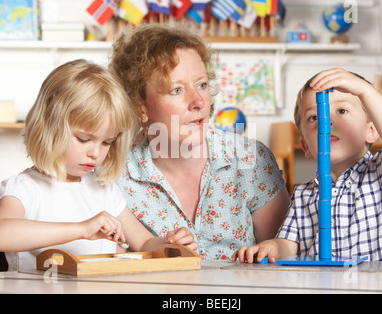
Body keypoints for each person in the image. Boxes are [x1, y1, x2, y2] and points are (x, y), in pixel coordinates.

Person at [0, 59, 195, 272]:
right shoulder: (24, 189)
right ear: (49, 126)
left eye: (106, 142)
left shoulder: (104, 189)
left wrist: (170, 245)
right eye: (84, 139)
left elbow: (144, 243)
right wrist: (81, 229)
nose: (95, 153)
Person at [110, 24, 290, 260]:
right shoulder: (115, 174)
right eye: (176, 90)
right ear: (139, 107)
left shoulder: (250, 158)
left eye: (202, 85)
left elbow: (285, 256)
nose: (198, 102)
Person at [233, 68, 382, 263]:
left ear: (372, 131)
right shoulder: (303, 195)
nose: (327, 121)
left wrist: (364, 91)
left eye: (342, 111)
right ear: (306, 146)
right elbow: (289, 244)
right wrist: (271, 247)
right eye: (313, 118)